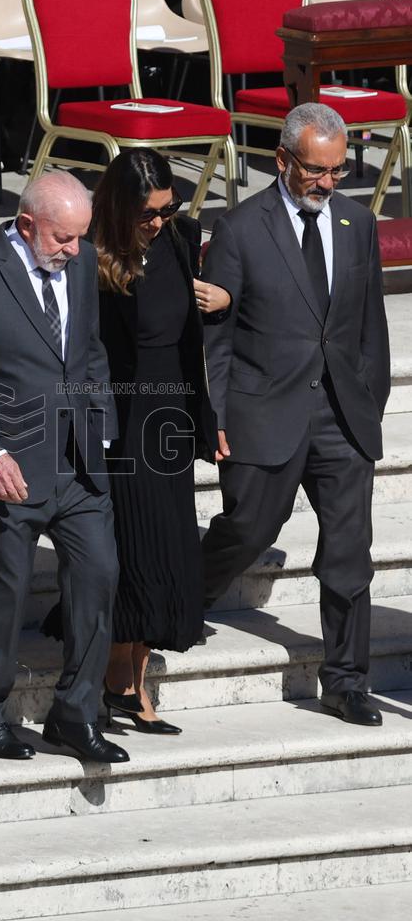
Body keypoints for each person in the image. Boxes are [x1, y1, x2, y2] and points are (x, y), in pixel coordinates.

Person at [201, 102, 390, 727]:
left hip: (343, 417)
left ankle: (345, 679)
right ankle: (174, 604)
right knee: (248, 530)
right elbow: (217, 337)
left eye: (338, 170)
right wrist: (216, 413)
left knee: (349, 552)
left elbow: (369, 326)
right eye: (315, 170)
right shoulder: (240, 229)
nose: (328, 183)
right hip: (264, 411)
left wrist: (370, 402)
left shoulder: (357, 224)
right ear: (282, 160)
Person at [0, 171, 128, 765]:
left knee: (99, 575)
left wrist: (101, 427)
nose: (75, 251)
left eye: (80, 238)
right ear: (26, 226)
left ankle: (75, 714)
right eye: (63, 239)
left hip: (77, 462)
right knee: (4, 593)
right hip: (7, 462)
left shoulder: (83, 259)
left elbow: (89, 349)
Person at [41, 149, 229, 735]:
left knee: (168, 547)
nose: (160, 220)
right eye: (149, 212)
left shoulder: (180, 237)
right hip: (119, 419)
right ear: (121, 208)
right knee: (127, 551)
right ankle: (113, 678)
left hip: (169, 413)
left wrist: (206, 413)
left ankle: (132, 682)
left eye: (168, 208)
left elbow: (189, 339)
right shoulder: (90, 256)